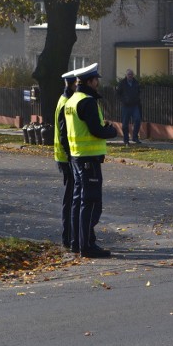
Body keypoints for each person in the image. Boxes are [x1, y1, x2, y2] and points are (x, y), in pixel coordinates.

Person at [65, 63, 118, 258]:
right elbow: (96, 130)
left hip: (77, 157)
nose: (98, 84)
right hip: (89, 160)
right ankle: (87, 245)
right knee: (92, 203)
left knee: (78, 201)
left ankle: (76, 243)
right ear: (90, 81)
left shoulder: (72, 100)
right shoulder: (87, 101)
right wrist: (112, 130)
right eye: (96, 80)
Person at [55, 70, 78, 252]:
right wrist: (71, 155)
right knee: (70, 199)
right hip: (66, 157)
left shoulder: (63, 100)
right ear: (72, 84)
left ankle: (69, 236)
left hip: (63, 156)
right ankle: (68, 237)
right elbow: (64, 134)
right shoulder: (66, 103)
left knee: (70, 197)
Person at [116, 68, 141, 144]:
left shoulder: (136, 83)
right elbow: (118, 93)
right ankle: (126, 139)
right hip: (126, 106)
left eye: (131, 74)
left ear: (133, 75)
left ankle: (135, 137)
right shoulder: (122, 83)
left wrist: (137, 99)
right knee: (125, 124)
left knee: (137, 120)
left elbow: (139, 92)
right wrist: (123, 100)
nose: (130, 76)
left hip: (134, 105)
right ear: (126, 75)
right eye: (128, 74)